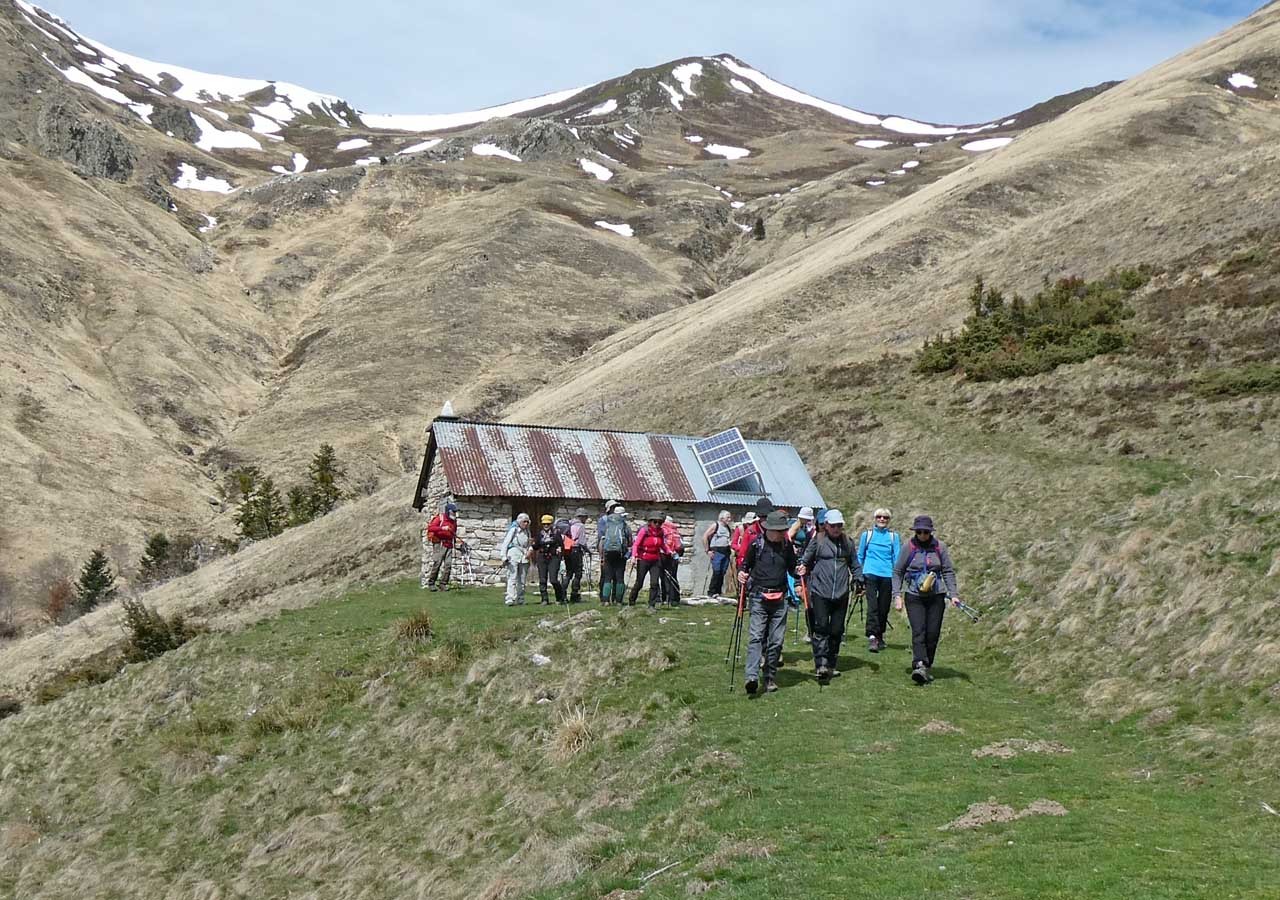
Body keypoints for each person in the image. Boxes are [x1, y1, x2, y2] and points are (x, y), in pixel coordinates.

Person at [892, 515, 961, 684]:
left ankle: (927, 664)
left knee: (933, 633)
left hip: (936, 596)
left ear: (931, 532)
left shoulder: (940, 547)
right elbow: (897, 572)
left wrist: (954, 594)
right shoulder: (908, 547)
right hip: (914, 596)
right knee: (919, 631)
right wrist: (897, 596)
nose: (922, 535)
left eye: (926, 532)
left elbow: (947, 571)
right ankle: (919, 664)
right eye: (919, 531)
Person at [737, 509, 799, 695]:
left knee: (776, 641)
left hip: (780, 598)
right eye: (780, 531)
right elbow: (744, 566)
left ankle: (770, 677)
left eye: (783, 530)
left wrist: (800, 572)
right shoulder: (756, 545)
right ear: (769, 529)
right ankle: (752, 677)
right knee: (756, 637)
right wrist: (741, 574)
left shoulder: (787, 547)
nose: (782, 534)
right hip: (758, 597)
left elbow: (792, 569)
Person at [797, 509, 860, 684]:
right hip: (819, 591)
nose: (836, 528)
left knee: (836, 630)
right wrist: (802, 568)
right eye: (833, 525)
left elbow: (855, 564)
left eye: (839, 525)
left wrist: (858, 579)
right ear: (826, 525)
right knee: (821, 627)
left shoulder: (847, 542)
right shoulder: (817, 540)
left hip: (841, 593)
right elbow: (805, 560)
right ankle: (821, 664)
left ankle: (831, 663)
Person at [858, 507, 900, 653]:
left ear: (889, 520)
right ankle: (872, 636)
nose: (882, 519)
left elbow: (897, 558)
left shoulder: (893, 537)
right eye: (879, 517)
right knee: (873, 606)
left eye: (885, 518)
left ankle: (880, 634)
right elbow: (860, 555)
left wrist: (898, 577)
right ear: (875, 519)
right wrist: (858, 575)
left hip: (887, 575)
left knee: (884, 607)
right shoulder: (867, 535)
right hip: (870, 573)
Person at [788, 507, 816, 641]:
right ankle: (811, 629)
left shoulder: (811, 529)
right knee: (803, 594)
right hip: (798, 560)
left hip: (808, 561)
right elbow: (788, 537)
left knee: (810, 597)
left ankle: (814, 629)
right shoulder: (795, 526)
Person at [629, 514, 667, 608]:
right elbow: (636, 544)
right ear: (650, 522)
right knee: (639, 582)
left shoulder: (661, 532)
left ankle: (651, 605)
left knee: (654, 583)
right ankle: (632, 600)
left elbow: (662, 544)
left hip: (655, 560)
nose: (657, 524)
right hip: (643, 559)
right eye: (655, 522)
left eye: (660, 522)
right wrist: (633, 556)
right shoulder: (644, 530)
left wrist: (669, 552)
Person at [422, 501, 459, 591]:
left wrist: (455, 542)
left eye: (455, 512)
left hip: (449, 544)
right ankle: (431, 583)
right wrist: (442, 528)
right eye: (453, 511)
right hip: (439, 544)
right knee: (437, 563)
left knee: (448, 564)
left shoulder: (453, 521)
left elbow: (454, 532)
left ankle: (443, 584)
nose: (454, 513)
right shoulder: (440, 518)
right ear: (448, 511)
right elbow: (431, 528)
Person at [598, 505, 631, 605]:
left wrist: (602, 556)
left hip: (608, 554)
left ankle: (606, 600)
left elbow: (601, 541)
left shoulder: (607, 524)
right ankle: (618, 601)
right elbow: (630, 542)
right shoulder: (625, 526)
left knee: (607, 577)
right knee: (619, 577)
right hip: (621, 555)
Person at [533, 514, 568, 605]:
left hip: (553, 557)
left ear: (551, 524)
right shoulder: (539, 534)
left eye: (548, 524)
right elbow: (536, 546)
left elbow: (561, 546)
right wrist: (534, 544)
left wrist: (560, 555)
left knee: (553, 579)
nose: (546, 526)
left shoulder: (556, 533)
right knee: (542, 579)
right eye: (544, 524)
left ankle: (560, 597)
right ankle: (544, 599)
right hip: (542, 557)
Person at [498, 513, 532, 606]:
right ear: (519, 522)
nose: (525, 523)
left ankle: (520, 598)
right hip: (513, 555)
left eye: (527, 522)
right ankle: (510, 598)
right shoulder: (514, 530)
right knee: (512, 577)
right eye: (524, 521)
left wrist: (530, 551)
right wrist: (503, 557)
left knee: (522, 579)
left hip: (524, 557)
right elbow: (506, 543)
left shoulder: (528, 532)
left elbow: (529, 544)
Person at [702, 510, 734, 599]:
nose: (729, 519)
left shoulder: (728, 528)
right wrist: (707, 550)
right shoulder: (715, 525)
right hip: (717, 551)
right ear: (722, 518)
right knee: (717, 571)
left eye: (730, 517)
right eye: (727, 517)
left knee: (723, 572)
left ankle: (718, 592)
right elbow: (705, 537)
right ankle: (711, 592)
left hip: (726, 552)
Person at [565, 508, 590, 603]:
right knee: (578, 573)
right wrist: (588, 551)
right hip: (576, 550)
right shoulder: (580, 526)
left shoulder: (569, 524)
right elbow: (582, 542)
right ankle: (574, 595)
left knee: (569, 572)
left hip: (568, 550)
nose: (586, 519)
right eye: (585, 517)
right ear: (581, 517)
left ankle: (562, 594)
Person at [661, 515, 684, 607]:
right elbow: (681, 546)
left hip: (664, 555)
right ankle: (675, 598)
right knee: (673, 576)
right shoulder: (675, 531)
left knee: (664, 577)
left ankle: (666, 598)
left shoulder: (662, 529)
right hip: (675, 556)